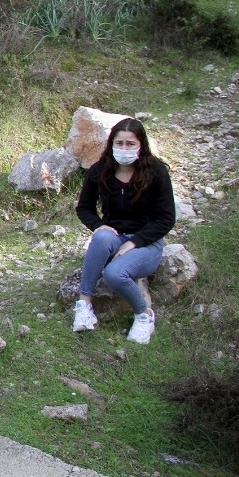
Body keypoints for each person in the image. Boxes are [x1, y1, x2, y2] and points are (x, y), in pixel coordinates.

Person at [72, 117, 175, 344]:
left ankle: (144, 314)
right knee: (101, 237)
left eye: (130, 144)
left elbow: (166, 218)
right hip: (114, 237)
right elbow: (84, 208)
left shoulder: (156, 172)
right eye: (119, 143)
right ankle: (84, 304)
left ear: (141, 145)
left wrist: (136, 241)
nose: (124, 148)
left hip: (146, 242)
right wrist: (98, 225)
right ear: (111, 144)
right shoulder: (100, 171)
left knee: (114, 274)